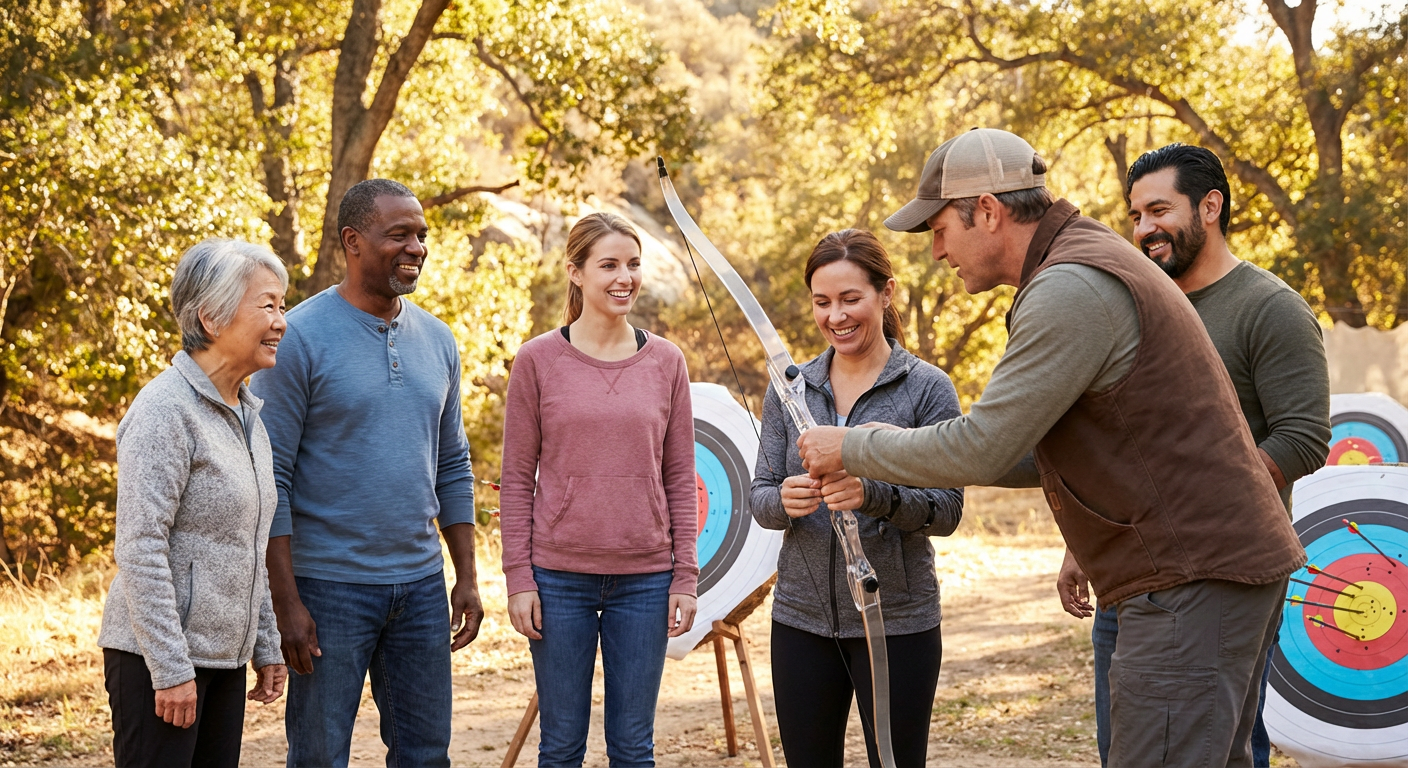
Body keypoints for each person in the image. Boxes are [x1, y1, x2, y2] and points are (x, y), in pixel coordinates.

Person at [795, 128, 1307, 766]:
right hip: (1201, 572)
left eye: (940, 229)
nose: (937, 251)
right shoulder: (1077, 265)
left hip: (1189, 577)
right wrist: (900, 444)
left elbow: (983, 447)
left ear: (987, 211)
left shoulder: (1069, 286)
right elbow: (1029, 448)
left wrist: (854, 445)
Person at [1056, 143, 1330, 767]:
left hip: (1221, 576)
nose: (1143, 229)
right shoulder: (1135, 309)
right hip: (1129, 573)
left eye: (1159, 210)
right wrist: (1085, 541)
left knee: (1222, 747)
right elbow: (1118, 444)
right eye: (1135, 215)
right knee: (1126, 749)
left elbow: (1303, 437)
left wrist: (1186, 507)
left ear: (1210, 206)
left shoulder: (1270, 308)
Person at [249, 179, 483, 768]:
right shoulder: (297, 337)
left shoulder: (439, 340)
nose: (416, 248)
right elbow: (270, 478)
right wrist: (286, 602)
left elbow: (453, 464)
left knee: (426, 756)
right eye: (399, 235)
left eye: (421, 235)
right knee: (320, 757)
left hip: (422, 587)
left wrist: (467, 576)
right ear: (353, 241)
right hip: (329, 589)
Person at [750, 229, 964, 768]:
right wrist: (785, 499)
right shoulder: (791, 387)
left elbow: (948, 510)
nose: (836, 316)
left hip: (898, 622)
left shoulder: (927, 388)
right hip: (801, 620)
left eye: (850, 299)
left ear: (885, 293)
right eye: (822, 302)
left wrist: (873, 495)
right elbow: (760, 497)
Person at [499, 212, 698, 767]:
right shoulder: (537, 360)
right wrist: (518, 578)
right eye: (608, 265)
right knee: (561, 747)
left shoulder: (667, 362)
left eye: (633, 264)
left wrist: (684, 576)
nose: (624, 278)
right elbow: (515, 479)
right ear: (576, 272)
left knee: (633, 748)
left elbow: (680, 477)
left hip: (646, 580)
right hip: (558, 580)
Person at [99, 238, 290, 768]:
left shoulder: (248, 415)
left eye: (283, 306)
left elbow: (249, 543)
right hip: (158, 661)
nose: (281, 322)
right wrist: (170, 668)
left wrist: (266, 643)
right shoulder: (164, 410)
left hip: (223, 660)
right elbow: (140, 547)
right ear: (211, 317)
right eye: (268, 305)